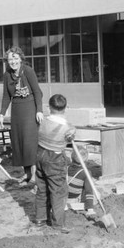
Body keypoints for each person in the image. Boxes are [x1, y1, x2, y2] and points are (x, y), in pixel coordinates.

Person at [0, 46, 44, 184]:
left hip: (30, 108)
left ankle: (35, 175)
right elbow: (6, 96)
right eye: (10, 59)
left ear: (20, 59)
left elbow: (37, 92)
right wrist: (1, 114)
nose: (13, 62)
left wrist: (39, 110)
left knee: (30, 142)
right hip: (16, 110)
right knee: (19, 142)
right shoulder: (7, 75)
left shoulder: (28, 71)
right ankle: (27, 174)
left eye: (15, 58)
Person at [34, 94, 76, 233]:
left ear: (49, 107)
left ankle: (40, 219)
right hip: (55, 159)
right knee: (58, 191)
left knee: (41, 189)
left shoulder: (42, 121)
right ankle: (58, 224)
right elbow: (70, 138)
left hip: (40, 155)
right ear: (65, 108)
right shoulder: (68, 127)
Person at [67, 146, 96, 218]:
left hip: (64, 195)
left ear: (72, 157)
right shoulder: (85, 172)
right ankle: (86, 206)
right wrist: (90, 209)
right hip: (75, 197)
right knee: (94, 193)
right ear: (85, 160)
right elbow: (89, 191)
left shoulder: (67, 167)